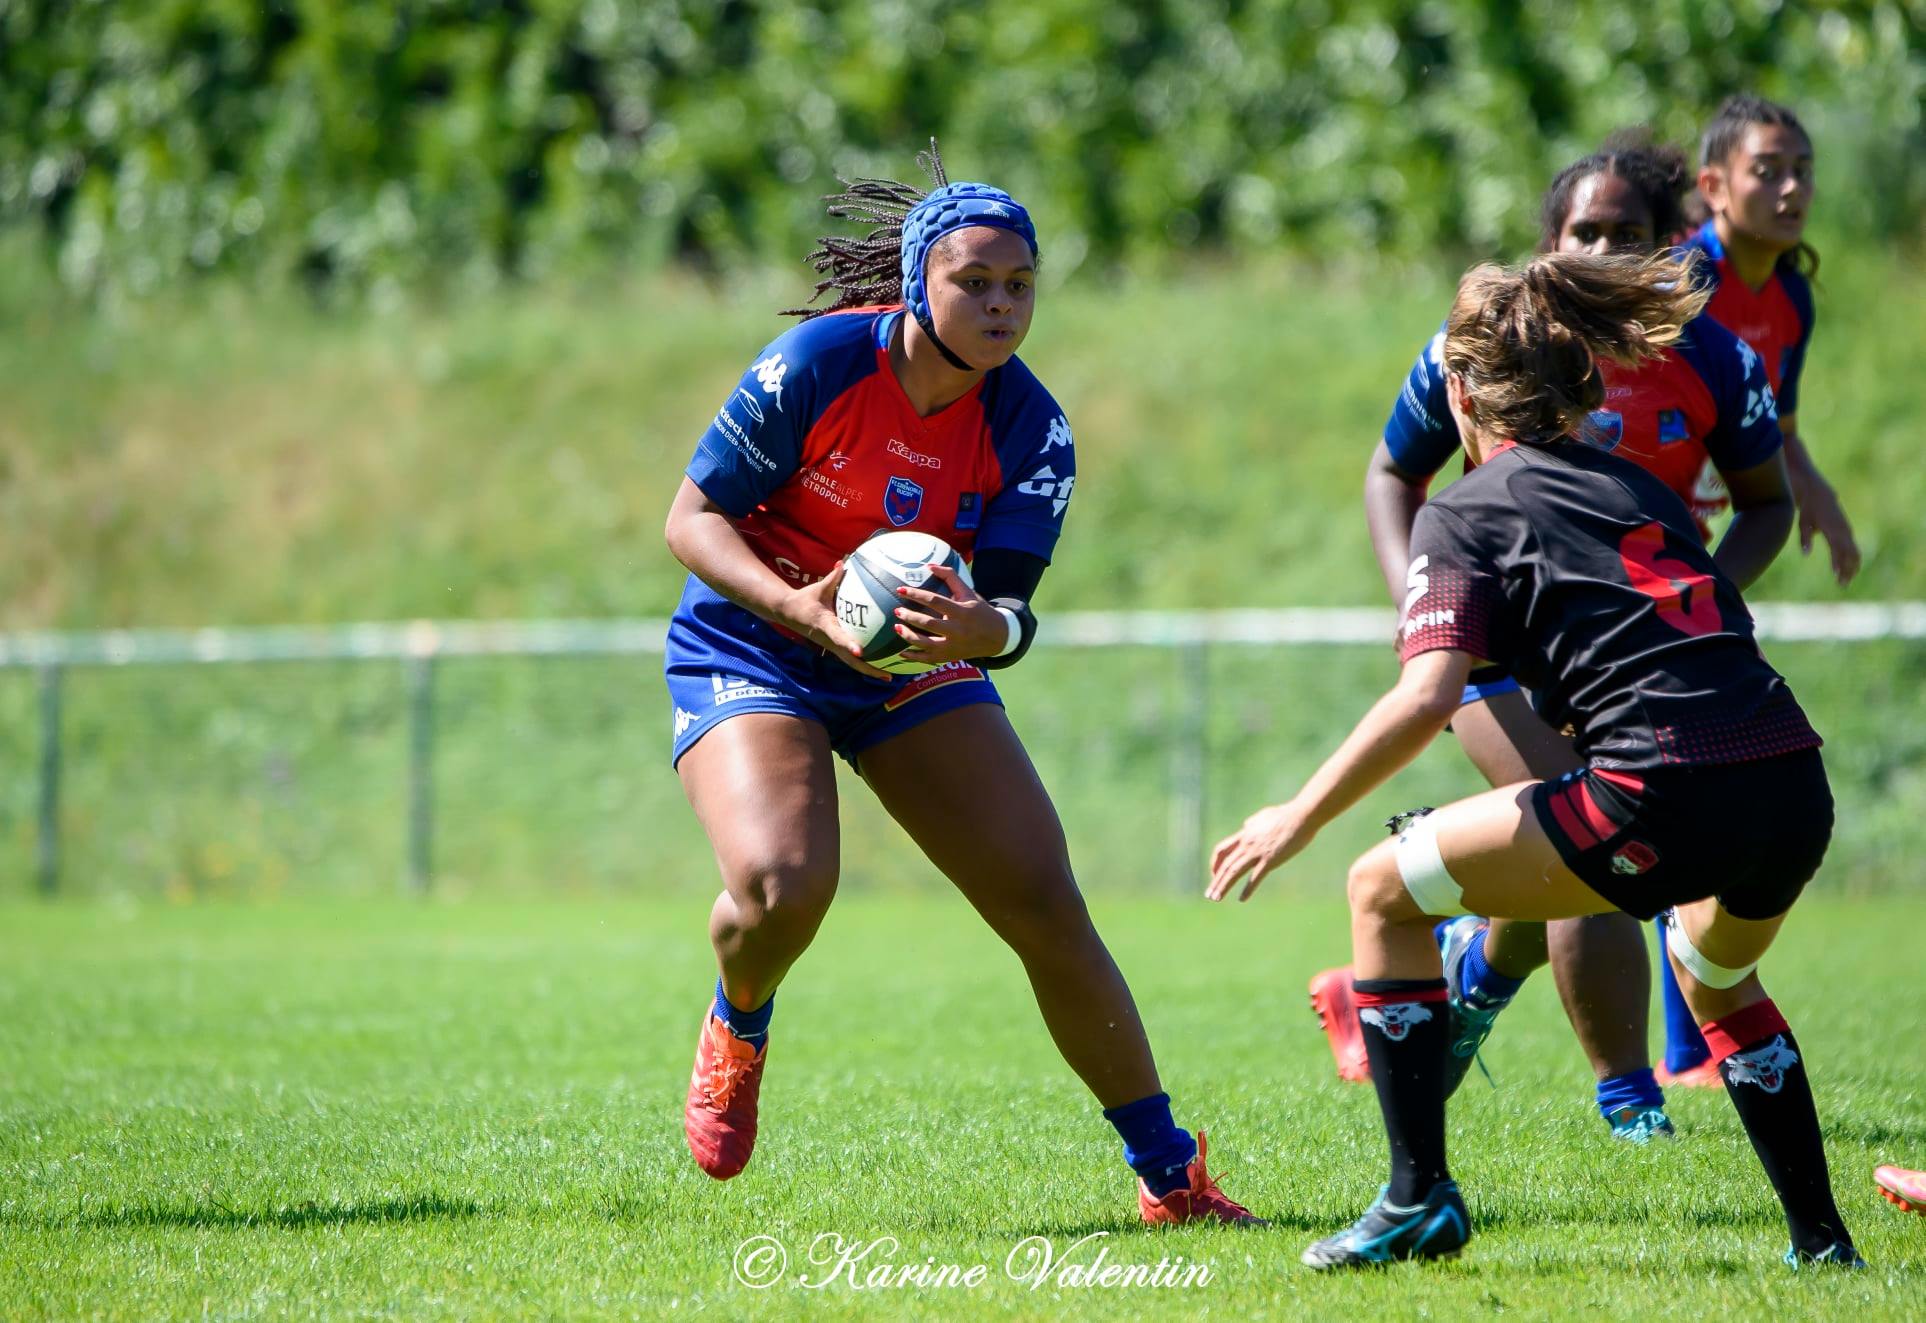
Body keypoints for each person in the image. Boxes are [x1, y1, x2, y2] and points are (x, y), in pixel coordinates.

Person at [1210, 250, 1861, 1271]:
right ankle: (1823, 1246)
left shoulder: (1466, 510)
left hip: (1659, 787)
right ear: (1592, 389)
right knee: (1715, 975)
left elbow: (1429, 698)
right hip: (1790, 779)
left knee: (1381, 888)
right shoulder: (1642, 490)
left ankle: (1417, 1199)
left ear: (1459, 394)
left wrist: (1294, 813)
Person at [663, 143, 1255, 1224]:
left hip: (910, 665)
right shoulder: (814, 368)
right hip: (756, 642)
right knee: (784, 891)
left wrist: (984, 628)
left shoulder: (1032, 429)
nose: (999, 304)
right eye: (972, 282)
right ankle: (738, 1019)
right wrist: (799, 608)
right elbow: (689, 522)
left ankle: (1169, 1176)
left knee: (1042, 894)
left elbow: (1014, 613)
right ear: (915, 282)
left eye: (1019, 285)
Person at [1309, 131, 1795, 1141]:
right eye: (1585, 230)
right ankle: (1629, 1099)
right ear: (1551, 239)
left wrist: (1692, 606)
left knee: (1570, 855)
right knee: (1604, 841)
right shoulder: (1483, 344)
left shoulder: (1712, 353)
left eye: (1628, 232)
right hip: (1493, 654)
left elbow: (1764, 504)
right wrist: (1429, 605)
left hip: (1624, 655)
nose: (1604, 248)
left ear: (1673, 244)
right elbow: (1391, 473)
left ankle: (1470, 968)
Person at [1647, 94, 1862, 1085]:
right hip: (1629, 557)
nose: (1789, 187)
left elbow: (1773, 419)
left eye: (1801, 168)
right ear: (1714, 185)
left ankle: (1423, 965)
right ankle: (1687, 1048)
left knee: (1665, 788)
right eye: (1768, 168)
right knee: (1661, 787)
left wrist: (1814, 500)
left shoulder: (1793, 297)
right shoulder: (1681, 277)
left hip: (1692, 560)